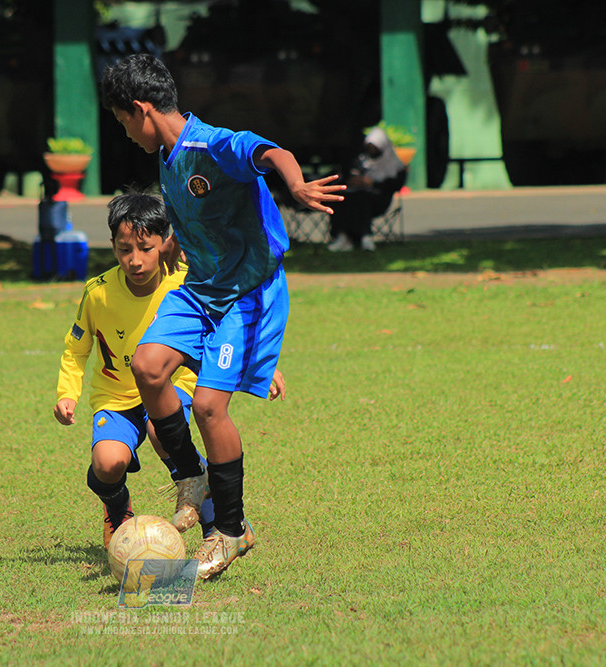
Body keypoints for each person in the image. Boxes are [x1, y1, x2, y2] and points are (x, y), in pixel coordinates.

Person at [100, 54, 343, 579]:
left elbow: (270, 151)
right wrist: (169, 246)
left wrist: (296, 187)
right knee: (148, 365)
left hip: (248, 294)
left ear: (142, 109)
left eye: (123, 122)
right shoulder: (166, 158)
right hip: (200, 288)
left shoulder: (209, 144)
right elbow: (193, 216)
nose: (125, 134)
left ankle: (231, 531)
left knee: (209, 407)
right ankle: (191, 477)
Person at [53, 192, 285, 549]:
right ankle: (117, 511)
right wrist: (67, 393)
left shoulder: (186, 285)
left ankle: (211, 518)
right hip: (116, 395)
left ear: (167, 242)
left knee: (159, 428)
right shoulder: (97, 293)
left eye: (145, 248)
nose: (135, 260)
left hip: (174, 382)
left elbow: (229, 328)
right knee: (107, 463)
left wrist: (261, 365)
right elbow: (77, 347)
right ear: (112, 246)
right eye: (124, 249)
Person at [327, 127, 406, 252]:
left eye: (374, 147)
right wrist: (354, 181)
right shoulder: (362, 160)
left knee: (361, 199)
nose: (371, 151)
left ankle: (365, 236)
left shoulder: (395, 165)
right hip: (355, 197)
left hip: (379, 200)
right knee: (341, 198)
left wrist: (373, 183)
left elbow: (395, 185)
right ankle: (342, 236)